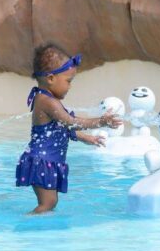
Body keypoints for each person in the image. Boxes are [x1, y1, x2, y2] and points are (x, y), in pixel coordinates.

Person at [16, 43, 122, 214]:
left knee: (51, 202)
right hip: (42, 161)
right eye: (68, 81)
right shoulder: (46, 101)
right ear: (50, 78)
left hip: (49, 160)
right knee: (48, 203)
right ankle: (27, 226)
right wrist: (101, 122)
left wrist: (86, 138)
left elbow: (61, 128)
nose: (70, 86)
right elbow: (70, 122)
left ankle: (41, 229)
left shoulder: (49, 99)